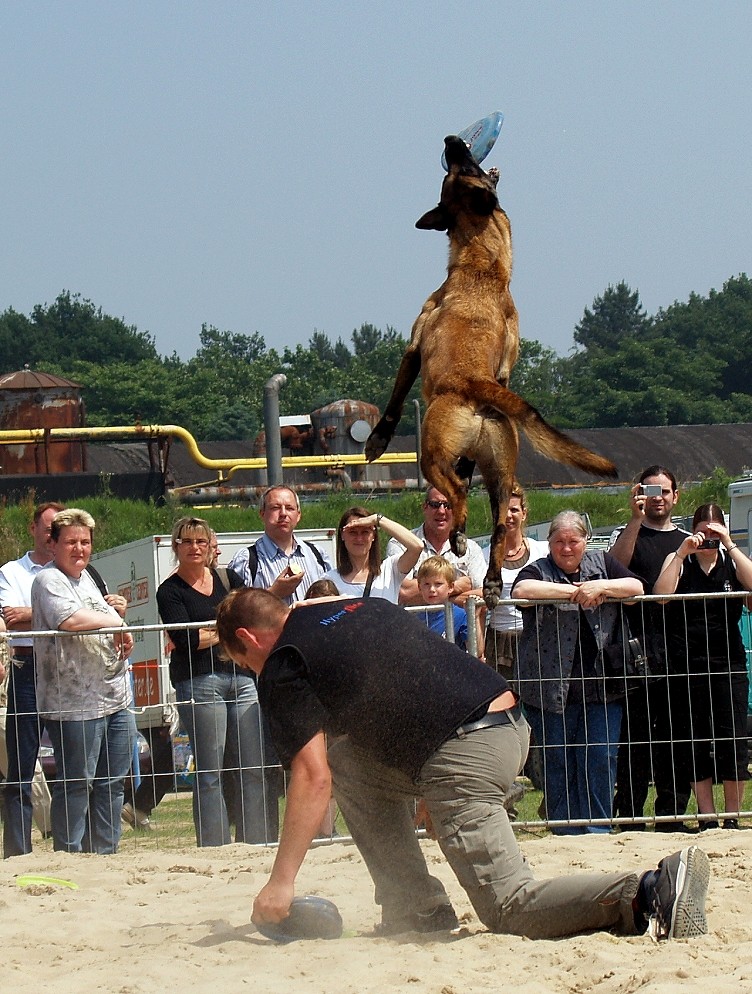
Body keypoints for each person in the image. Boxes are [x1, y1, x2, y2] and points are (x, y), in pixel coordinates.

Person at [215, 588, 710, 942]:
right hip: (507, 724)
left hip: (463, 753)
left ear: (249, 639)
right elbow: (407, 684)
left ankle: (649, 889)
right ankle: (418, 911)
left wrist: (281, 884)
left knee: (510, 908)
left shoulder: (282, 661)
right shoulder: (359, 606)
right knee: (349, 761)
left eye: (243, 662)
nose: (250, 671)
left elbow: (310, 776)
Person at [512, 511, 645, 835]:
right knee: (557, 762)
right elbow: (521, 590)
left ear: (586, 541)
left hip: (603, 688)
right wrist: (574, 592)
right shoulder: (539, 569)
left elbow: (636, 587)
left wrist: (601, 585)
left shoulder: (603, 564)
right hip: (551, 689)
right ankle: (563, 829)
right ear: (550, 544)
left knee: (600, 760)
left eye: (574, 541)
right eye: (560, 541)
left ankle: (598, 829)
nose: (567, 548)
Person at [156, 516, 274, 846]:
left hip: (241, 677)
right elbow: (185, 640)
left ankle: (257, 842)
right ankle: (215, 846)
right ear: (176, 546)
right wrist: (225, 631)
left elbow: (247, 623)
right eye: (187, 541)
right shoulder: (169, 591)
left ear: (211, 547)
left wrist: (210, 633)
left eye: (201, 541)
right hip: (198, 681)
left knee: (252, 767)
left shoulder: (228, 577)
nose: (195, 547)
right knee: (210, 772)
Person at [31, 508, 136, 854]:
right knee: (77, 784)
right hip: (74, 702)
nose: (80, 549)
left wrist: (116, 615)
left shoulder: (88, 576)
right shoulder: (48, 580)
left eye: (85, 542)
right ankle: (69, 855)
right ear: (53, 544)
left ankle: (105, 853)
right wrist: (117, 624)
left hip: (114, 696)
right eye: (71, 542)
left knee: (112, 784)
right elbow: (70, 620)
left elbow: (97, 615)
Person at [654, 503, 752, 830]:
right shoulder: (679, 560)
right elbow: (661, 595)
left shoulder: (732, 562)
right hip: (688, 662)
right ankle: (707, 815)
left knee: (732, 736)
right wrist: (682, 552)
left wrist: (730, 544)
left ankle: (733, 816)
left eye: (714, 529)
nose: (708, 536)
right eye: (703, 529)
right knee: (694, 738)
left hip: (728, 661)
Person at [608, 466, 693, 831]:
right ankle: (628, 815)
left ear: (676, 496)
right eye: (650, 489)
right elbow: (616, 568)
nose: (658, 496)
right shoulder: (628, 533)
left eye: (664, 490)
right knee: (635, 738)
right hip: (634, 650)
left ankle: (672, 813)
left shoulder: (689, 540)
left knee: (676, 735)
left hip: (679, 650)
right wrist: (634, 519)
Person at [0, 501, 63, 857]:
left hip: (66, 670)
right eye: (49, 527)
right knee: (22, 768)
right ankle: (18, 852)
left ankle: (70, 845)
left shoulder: (73, 569)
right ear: (33, 529)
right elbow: (11, 619)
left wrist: (32, 614)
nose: (53, 535)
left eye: (60, 529)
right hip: (27, 670)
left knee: (73, 764)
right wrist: (60, 614)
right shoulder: (11, 571)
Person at [480, 484, 548, 678]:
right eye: (502, 510)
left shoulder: (542, 551)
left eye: (514, 510)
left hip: (537, 638)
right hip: (499, 642)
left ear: (524, 514)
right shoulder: (484, 556)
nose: (508, 516)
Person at [227, 485, 332, 604]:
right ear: (262, 514)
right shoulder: (246, 560)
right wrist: (274, 592)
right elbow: (235, 611)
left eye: (289, 508)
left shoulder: (317, 555)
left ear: (298, 515)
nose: (283, 513)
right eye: (275, 508)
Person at [386, 486, 486, 607]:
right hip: (415, 624)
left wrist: (437, 598)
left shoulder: (471, 549)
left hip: (458, 625)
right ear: (425, 507)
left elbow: (482, 594)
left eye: (448, 505)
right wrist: (458, 587)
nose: (441, 511)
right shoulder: (401, 544)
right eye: (435, 505)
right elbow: (403, 593)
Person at [322, 507, 422, 601]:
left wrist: (377, 519)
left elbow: (417, 546)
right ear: (342, 535)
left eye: (365, 532)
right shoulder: (330, 580)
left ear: (373, 535)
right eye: (353, 532)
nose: (359, 538)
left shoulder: (390, 569)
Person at [414, 556, 473, 651]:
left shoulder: (461, 615)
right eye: (426, 584)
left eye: (438, 584)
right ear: (419, 588)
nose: (432, 589)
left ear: (450, 587)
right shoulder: (415, 619)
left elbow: (475, 649)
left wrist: (476, 616)